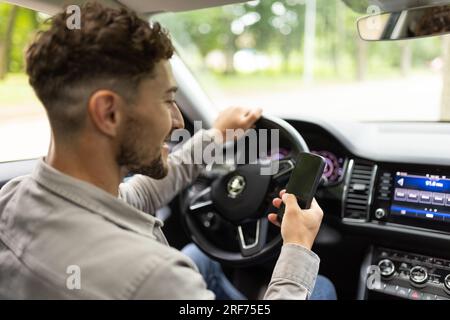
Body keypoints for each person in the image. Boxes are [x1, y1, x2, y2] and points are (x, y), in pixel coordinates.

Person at [0, 2, 335, 300]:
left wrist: (216, 135)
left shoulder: (14, 198)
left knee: (201, 258)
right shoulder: (155, 278)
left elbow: (138, 195)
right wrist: (297, 246)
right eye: (167, 100)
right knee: (319, 287)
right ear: (109, 113)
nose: (178, 122)